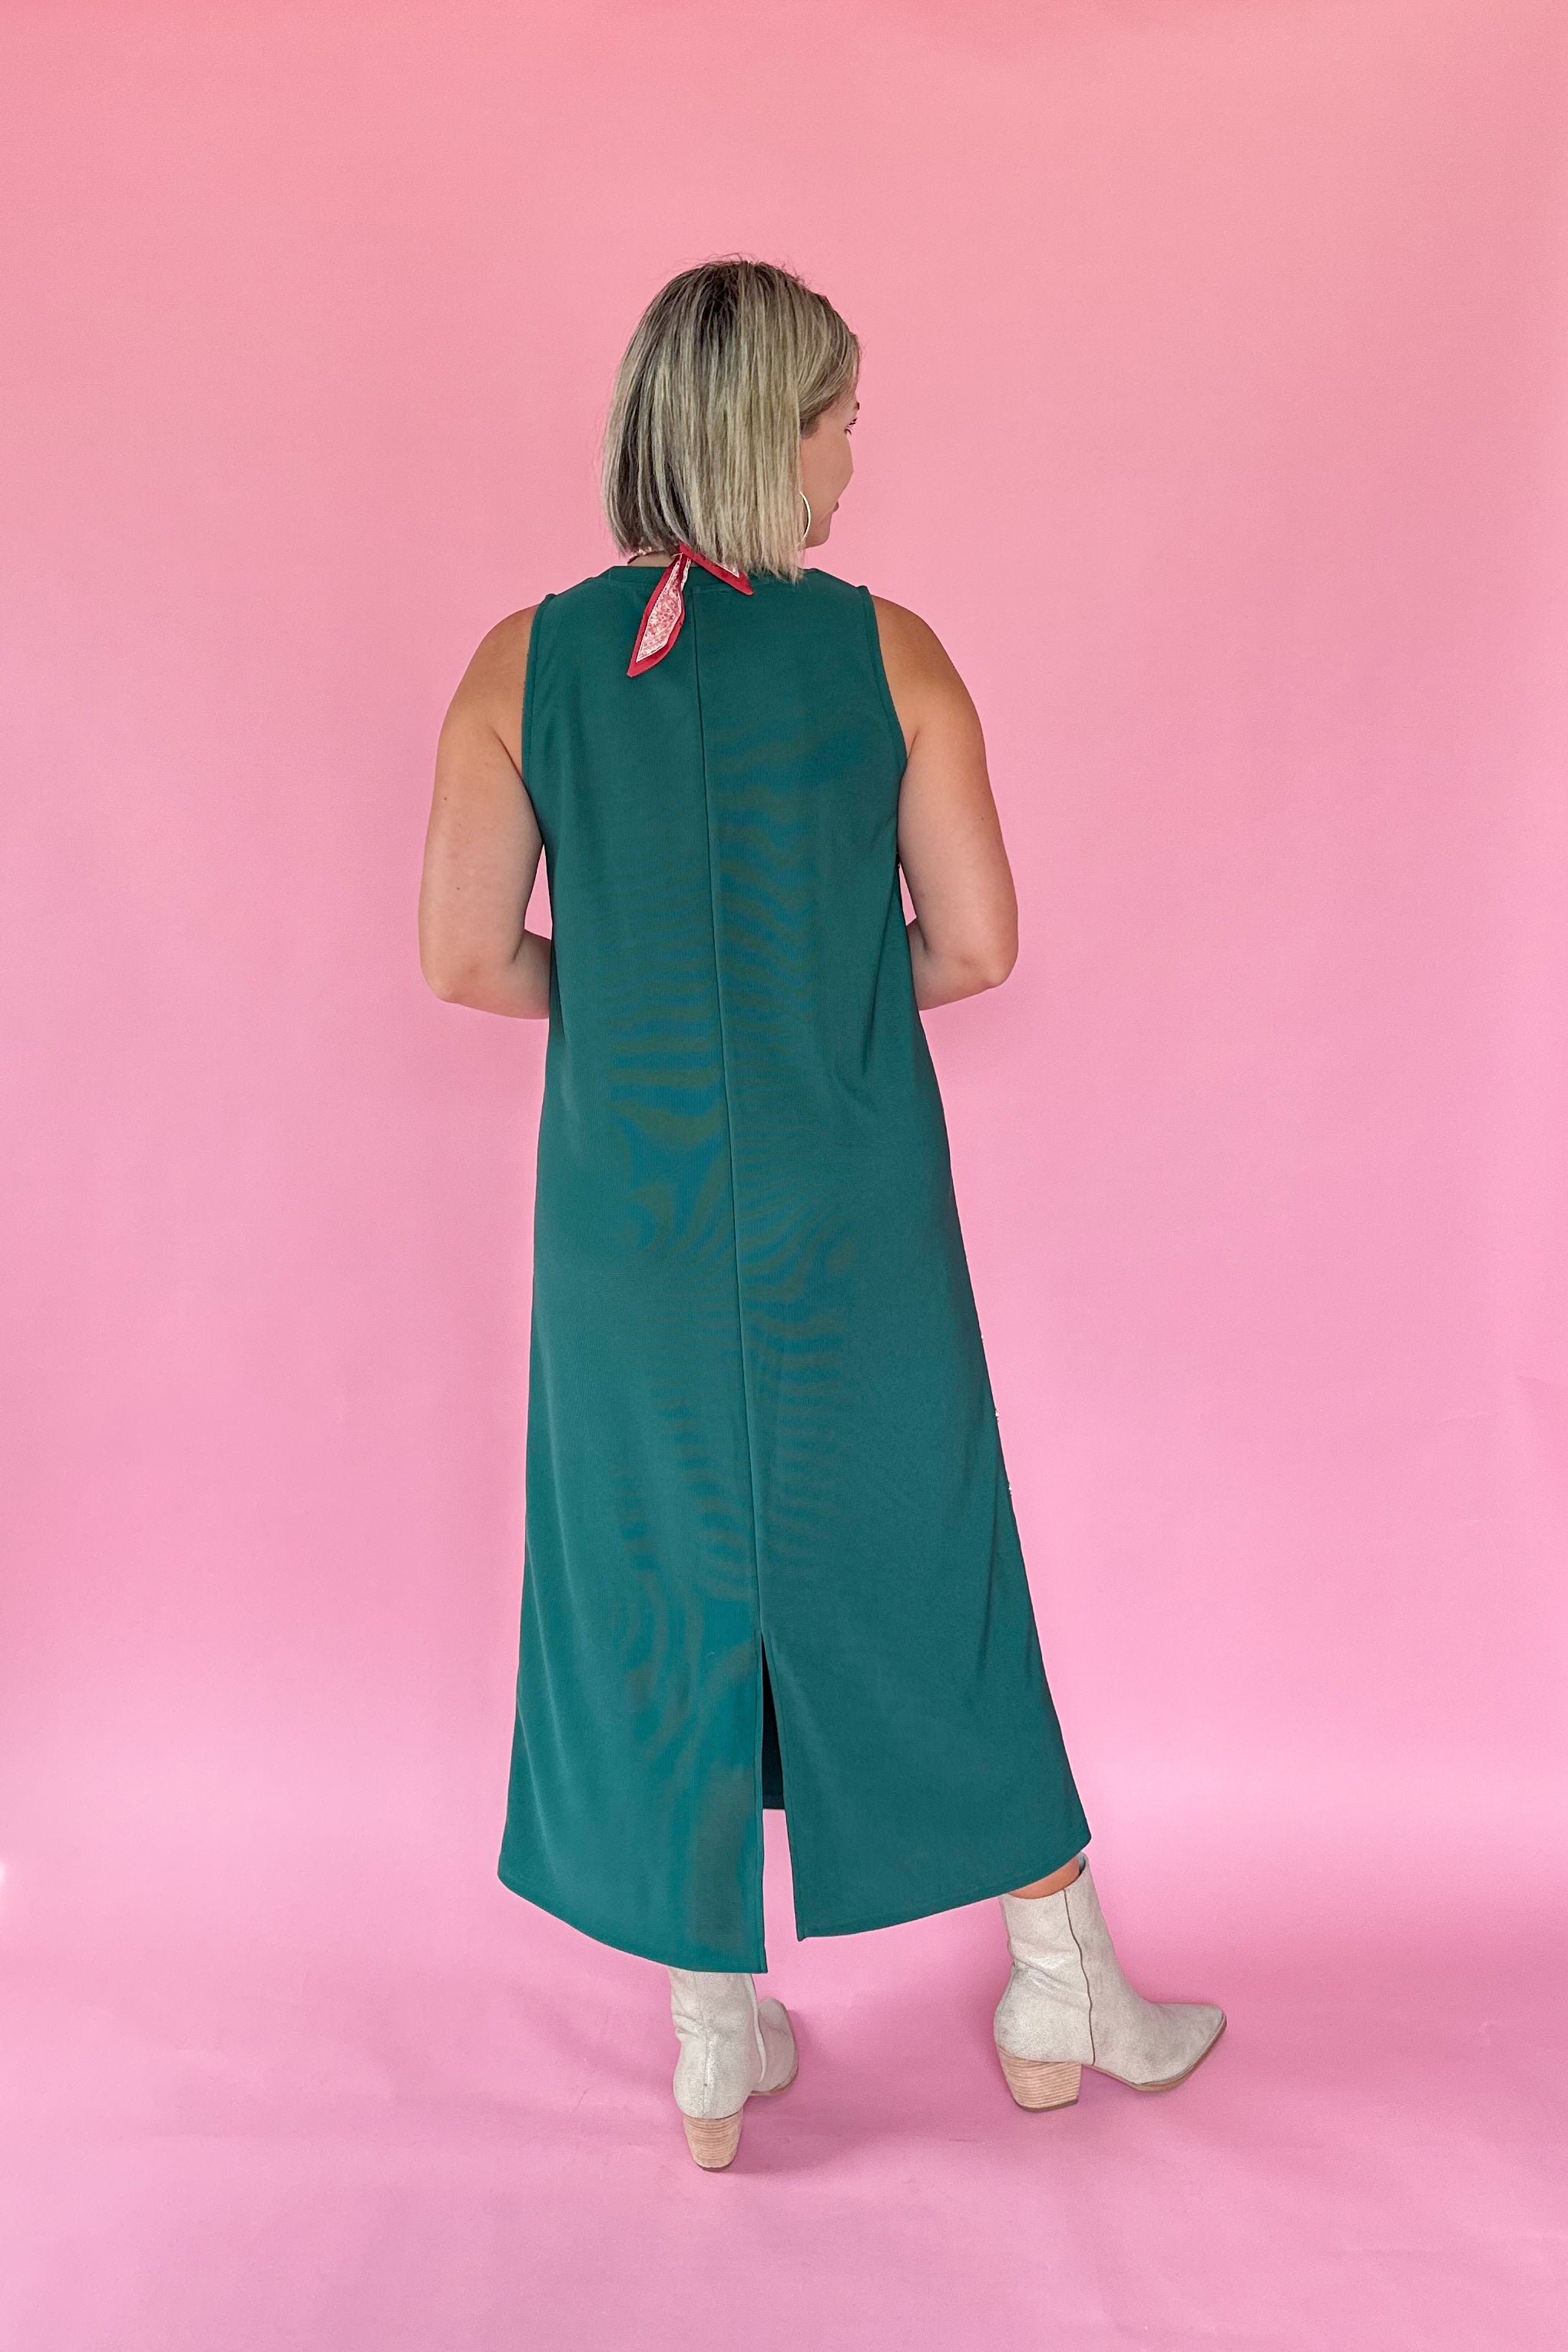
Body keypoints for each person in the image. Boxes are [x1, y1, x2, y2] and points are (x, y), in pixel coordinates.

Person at [418, 256, 1224, 2171]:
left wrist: (644, 1002)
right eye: (841, 419)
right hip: (846, 1200)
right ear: (768, 435)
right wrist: (820, 997)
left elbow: (465, 957)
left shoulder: (518, 665)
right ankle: (1059, 1979)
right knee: (925, 1557)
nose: (857, 454)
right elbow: (980, 941)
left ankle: (713, 2027)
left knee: (656, 1575)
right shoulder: (893, 654)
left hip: (625, 1218)